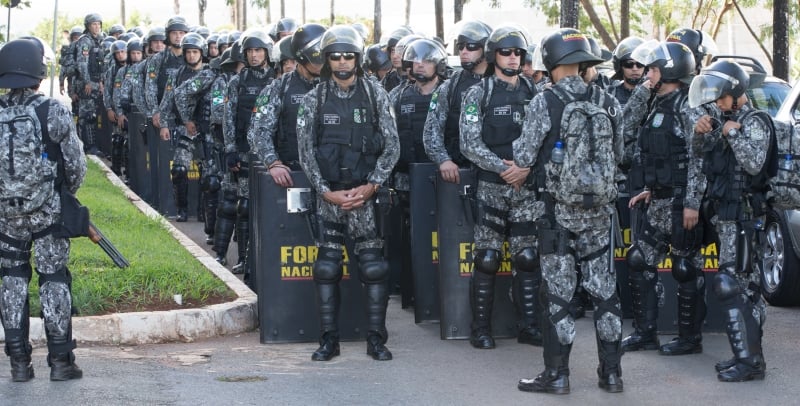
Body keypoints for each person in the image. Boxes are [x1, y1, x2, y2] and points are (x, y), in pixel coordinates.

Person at [515, 28, 624, 394]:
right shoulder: (608, 101)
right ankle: (611, 375)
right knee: (605, 294)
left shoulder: (544, 102)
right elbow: (620, 155)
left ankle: (557, 376)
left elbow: (524, 156)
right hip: (601, 215)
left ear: (552, 61)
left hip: (556, 214)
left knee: (558, 294)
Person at [296, 25, 400, 361]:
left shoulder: (375, 93)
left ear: (357, 58)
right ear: (326, 60)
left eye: (348, 56)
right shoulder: (315, 98)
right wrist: (325, 192)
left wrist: (372, 186)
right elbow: (306, 151)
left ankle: (375, 340)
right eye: (336, 56)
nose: (342, 62)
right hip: (330, 198)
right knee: (326, 267)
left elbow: (392, 145)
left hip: (365, 197)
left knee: (373, 267)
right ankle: (329, 340)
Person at [0, 38, 87, 382]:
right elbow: (76, 165)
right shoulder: (52, 110)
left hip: (6, 216)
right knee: (53, 278)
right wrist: (62, 195)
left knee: (12, 279)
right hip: (47, 212)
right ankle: (61, 362)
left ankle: (19, 363)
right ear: (38, 72)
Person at [621, 40, 708, 356]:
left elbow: (697, 159)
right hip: (657, 200)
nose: (647, 74)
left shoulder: (689, 108)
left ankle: (689, 339)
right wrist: (651, 188)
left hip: (681, 203)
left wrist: (692, 203)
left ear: (669, 71)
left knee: (685, 268)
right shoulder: (656, 102)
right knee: (639, 259)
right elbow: (626, 128)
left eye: (653, 69)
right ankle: (645, 333)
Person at [688, 60, 772, 382]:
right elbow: (701, 154)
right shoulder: (723, 119)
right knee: (738, 287)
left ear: (736, 93)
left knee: (735, 286)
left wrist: (733, 133)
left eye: (722, 97)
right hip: (726, 217)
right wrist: (700, 132)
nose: (718, 103)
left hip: (746, 218)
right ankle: (746, 355)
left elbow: (753, 164)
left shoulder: (754, 121)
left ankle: (750, 362)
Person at [458, 25, 541, 350]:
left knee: (527, 257)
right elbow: (468, 142)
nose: (513, 57)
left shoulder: (536, 93)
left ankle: (529, 327)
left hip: (525, 188)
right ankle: (480, 329)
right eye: (507, 52)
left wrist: (526, 169)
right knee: (487, 258)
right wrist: (502, 168)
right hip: (492, 186)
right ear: (494, 56)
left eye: (518, 52)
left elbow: (547, 139)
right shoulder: (478, 93)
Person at [222, 30, 276, 273]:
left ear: (267, 53)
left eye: (258, 51)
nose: (254, 56)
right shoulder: (237, 82)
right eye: (250, 51)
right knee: (245, 207)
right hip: (244, 153)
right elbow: (228, 118)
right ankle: (245, 258)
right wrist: (230, 149)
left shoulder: (277, 81)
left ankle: (270, 256)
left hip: (273, 155)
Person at [248, 23, 326, 187]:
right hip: (292, 175)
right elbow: (260, 131)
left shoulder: (335, 86)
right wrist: (273, 163)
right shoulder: (279, 88)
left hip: (330, 176)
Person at [423, 19, 492, 185]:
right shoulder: (450, 86)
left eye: (471, 46)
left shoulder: (502, 84)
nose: (464, 51)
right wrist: (443, 160)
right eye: (460, 46)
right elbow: (431, 131)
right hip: (459, 174)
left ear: (486, 48)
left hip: (497, 177)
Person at [159, 33, 212, 223]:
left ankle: (203, 211)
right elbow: (166, 102)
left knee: (208, 175)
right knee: (179, 169)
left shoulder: (211, 73)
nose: (191, 56)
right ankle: (182, 209)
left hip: (206, 131)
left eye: (195, 52)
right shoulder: (177, 75)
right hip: (184, 130)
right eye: (188, 52)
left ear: (202, 53)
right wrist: (164, 124)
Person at [73, 13, 106, 155]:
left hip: (95, 81)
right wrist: (87, 82)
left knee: (94, 115)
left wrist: (100, 82)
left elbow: (99, 65)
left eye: (99, 24)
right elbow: (82, 63)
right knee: (87, 116)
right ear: (88, 26)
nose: (97, 27)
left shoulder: (97, 40)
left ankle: (93, 145)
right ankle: (88, 146)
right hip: (86, 82)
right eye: (94, 24)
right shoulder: (85, 41)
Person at [103, 40, 129, 177]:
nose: (120, 55)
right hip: (116, 110)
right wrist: (109, 109)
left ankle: (129, 172)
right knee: (117, 139)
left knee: (129, 143)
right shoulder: (111, 71)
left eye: (123, 52)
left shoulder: (134, 67)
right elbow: (107, 92)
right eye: (117, 53)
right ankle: (116, 168)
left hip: (129, 111)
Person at [607, 36, 645, 107]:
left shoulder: (654, 95)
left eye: (640, 64)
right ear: (620, 67)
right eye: (629, 64)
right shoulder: (609, 94)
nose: (635, 68)